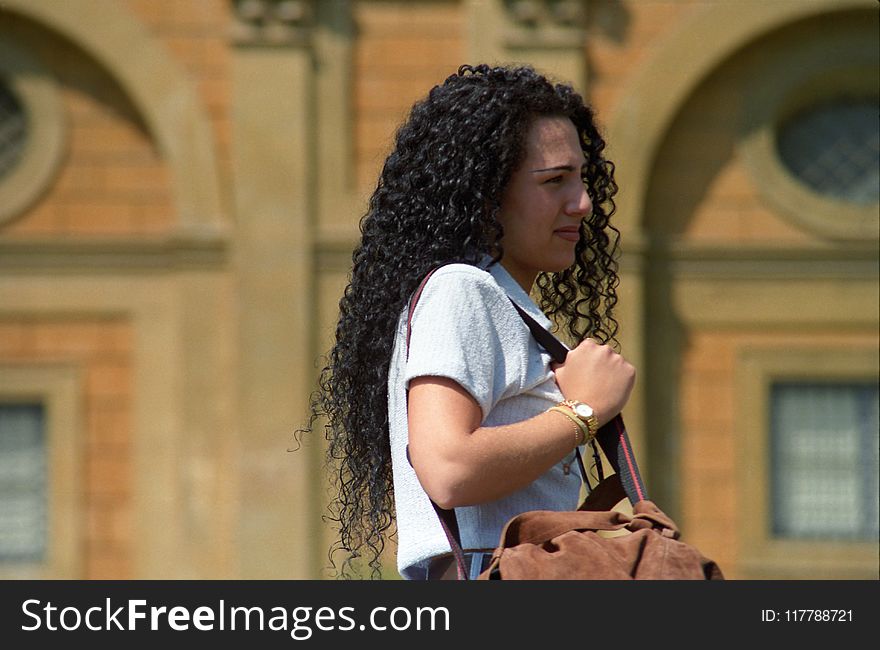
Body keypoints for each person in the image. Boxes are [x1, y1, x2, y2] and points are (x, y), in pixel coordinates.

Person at [304, 63, 635, 579]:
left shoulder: (496, 300)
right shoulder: (463, 288)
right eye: (555, 181)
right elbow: (449, 468)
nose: (584, 203)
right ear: (484, 194)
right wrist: (584, 411)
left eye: (583, 179)